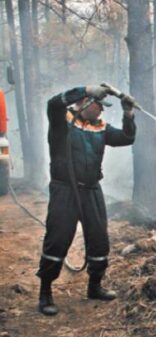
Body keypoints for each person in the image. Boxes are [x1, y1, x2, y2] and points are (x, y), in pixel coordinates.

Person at [37, 85, 136, 316]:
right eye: (99, 104)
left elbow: (126, 138)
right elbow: (53, 103)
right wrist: (86, 87)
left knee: (99, 238)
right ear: (84, 102)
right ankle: (45, 293)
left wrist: (128, 114)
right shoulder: (63, 121)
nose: (101, 110)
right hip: (65, 190)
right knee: (58, 239)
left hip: (91, 190)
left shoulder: (100, 128)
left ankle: (95, 287)